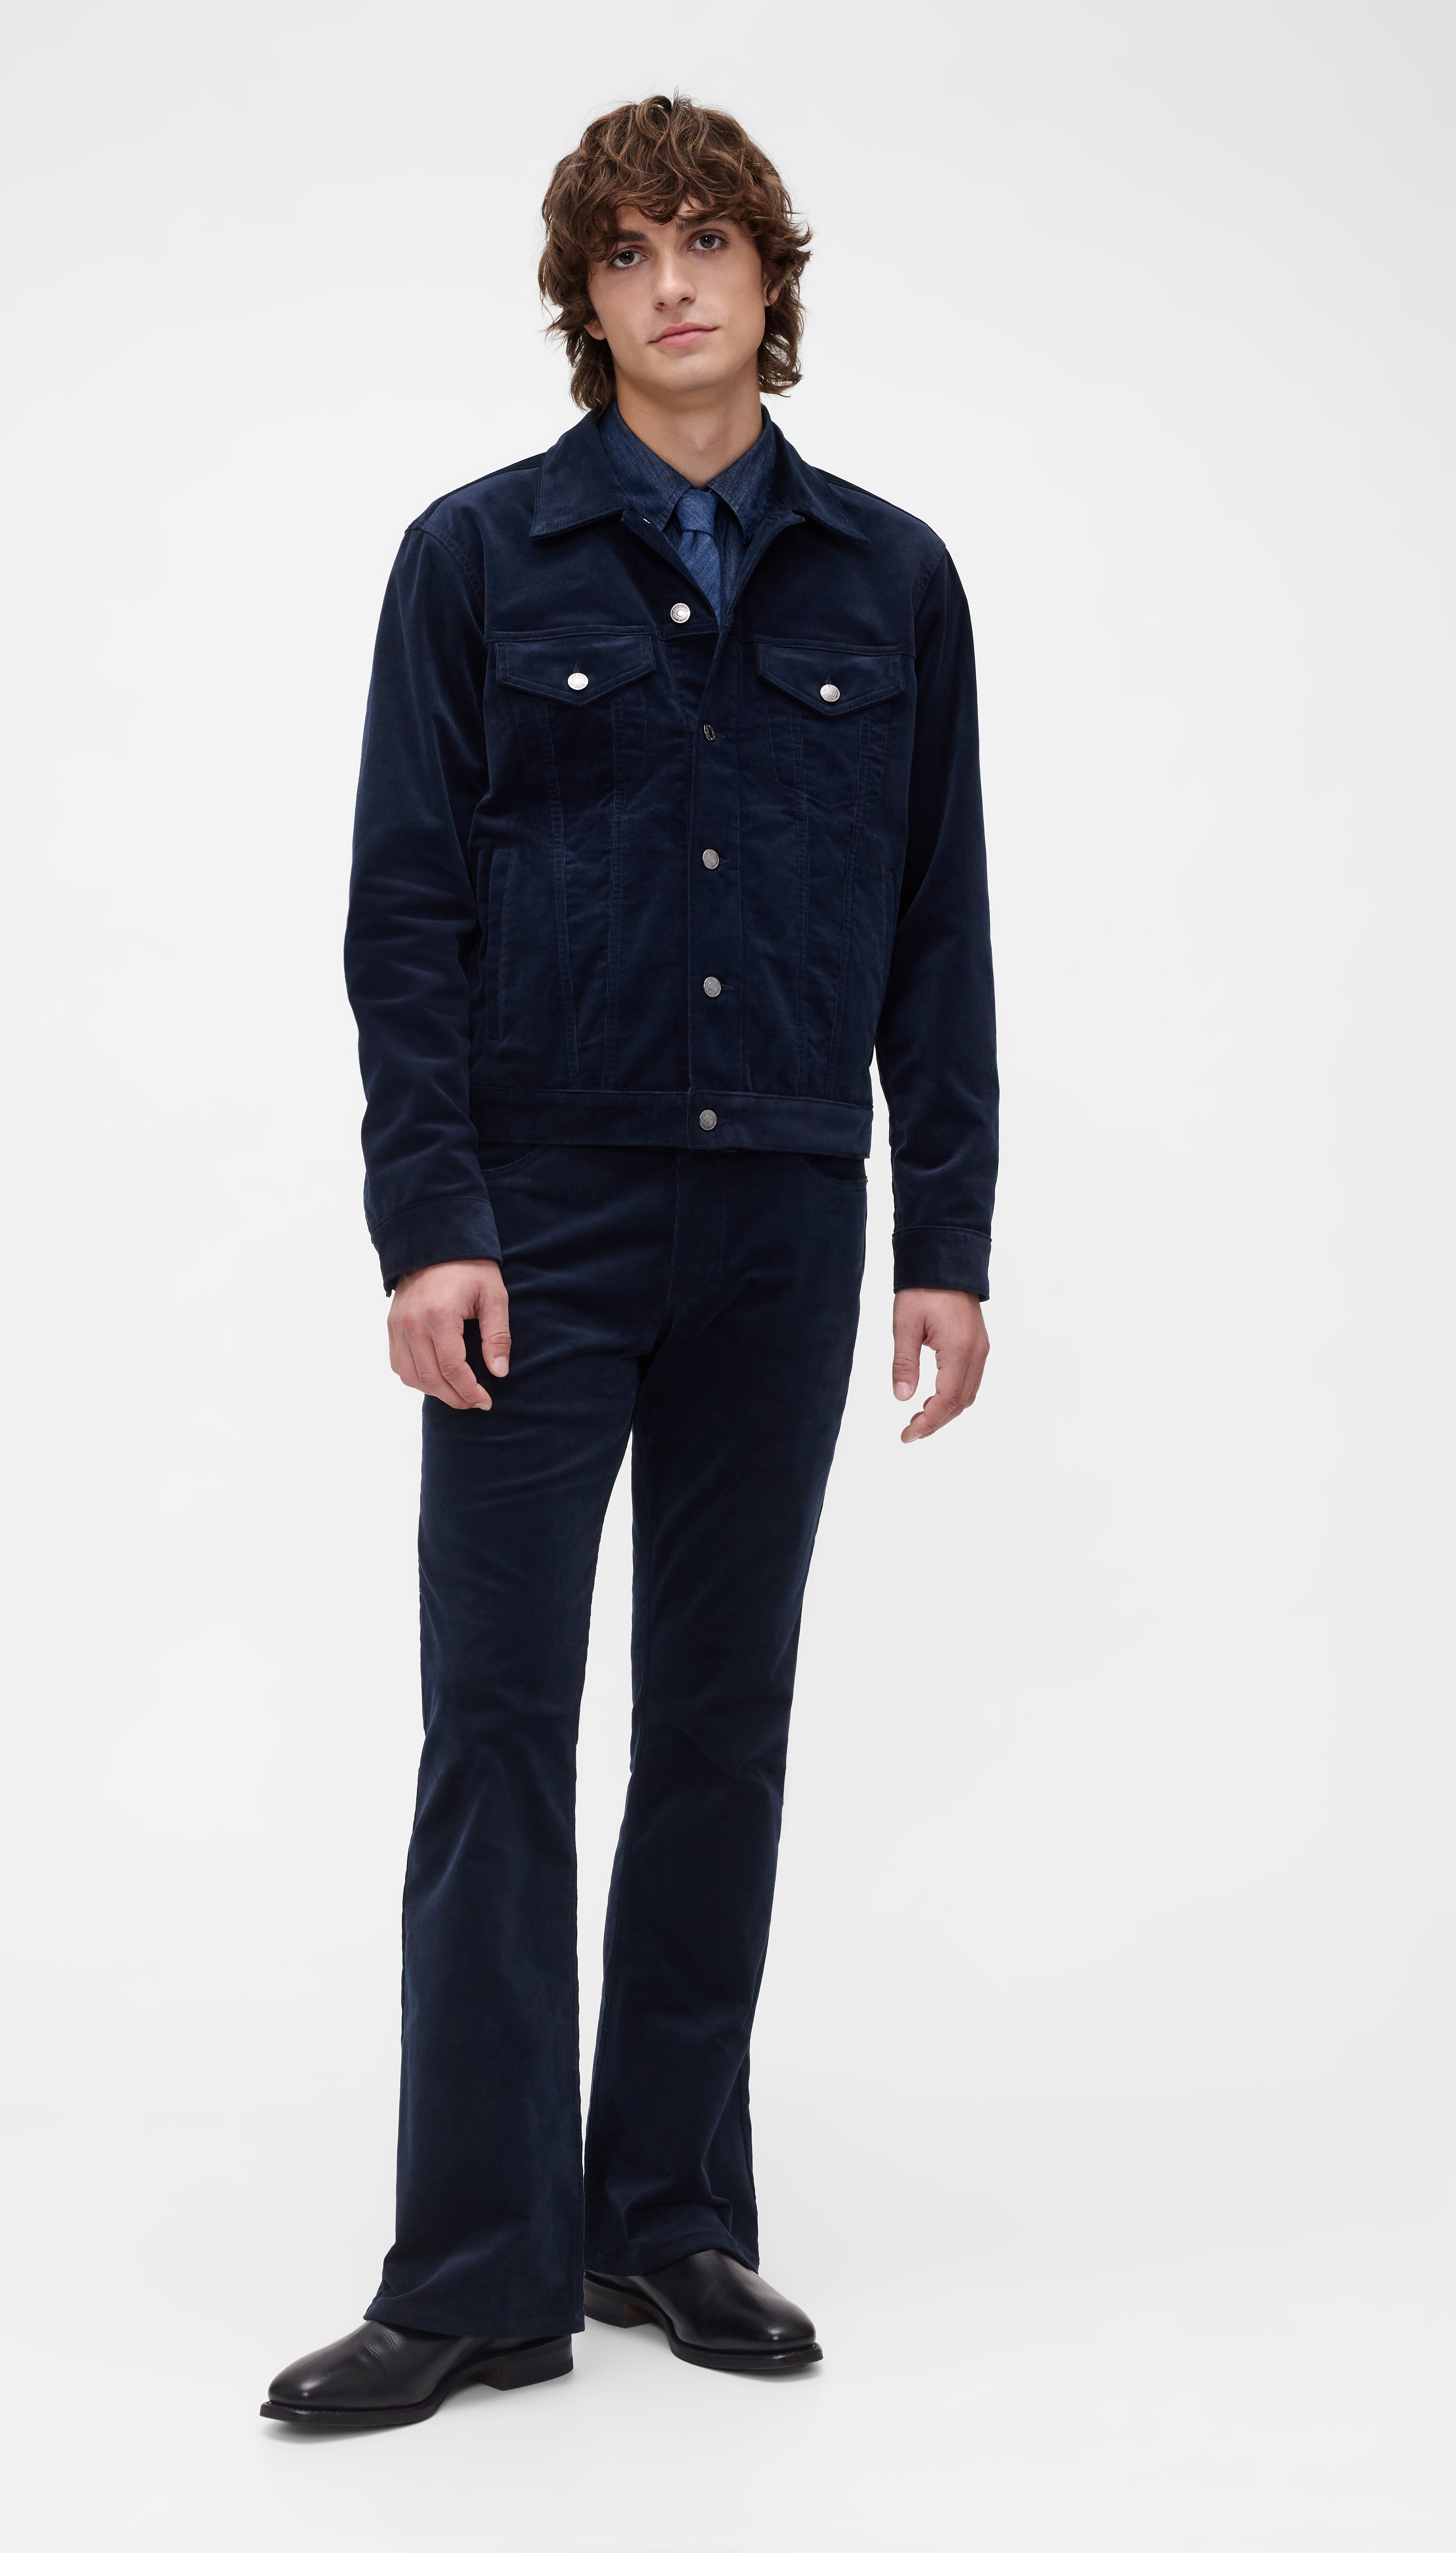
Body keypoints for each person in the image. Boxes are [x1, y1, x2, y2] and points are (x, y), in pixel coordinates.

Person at [262, 93, 996, 2431]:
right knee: (497, 1724)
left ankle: (664, 2213)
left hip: (785, 1210)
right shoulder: (475, 561)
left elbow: (941, 928)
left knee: (720, 1723)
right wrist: (432, 1221)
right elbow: (403, 916)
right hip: (539, 1220)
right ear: (583, 300)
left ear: (773, 277)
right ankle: (477, 2267)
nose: (673, 285)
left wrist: (946, 1236)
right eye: (627, 254)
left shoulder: (895, 582)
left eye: (710, 244)